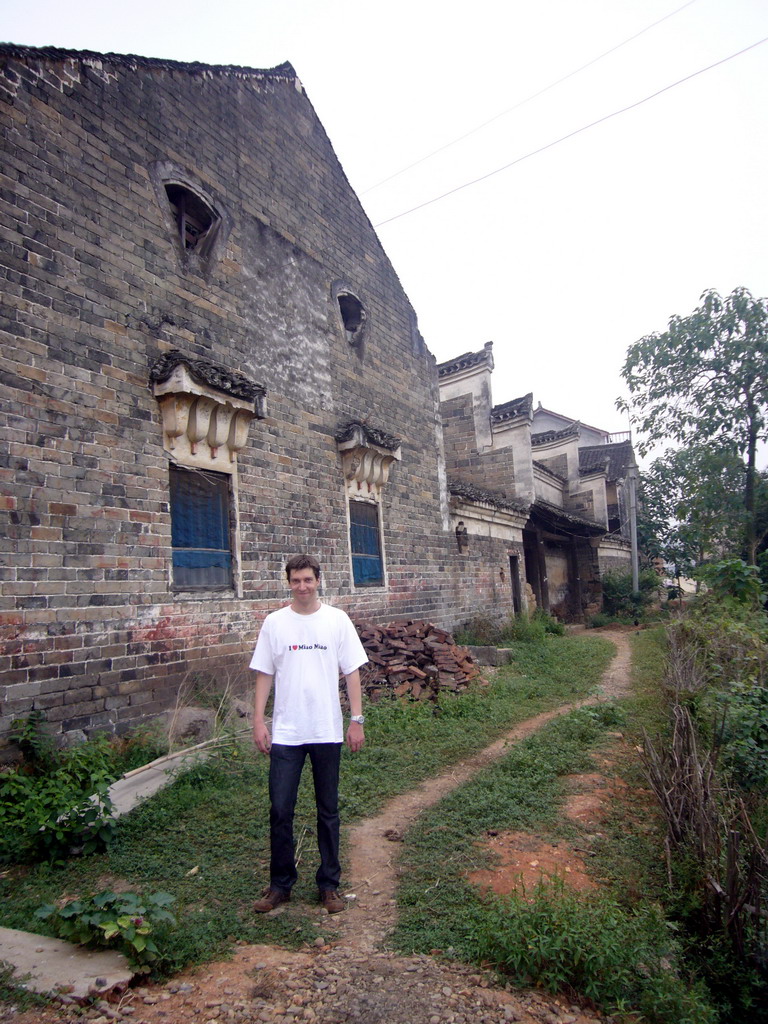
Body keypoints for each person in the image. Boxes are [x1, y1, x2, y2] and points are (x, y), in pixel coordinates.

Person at [250, 554, 368, 914]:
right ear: (288, 583)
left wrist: (356, 720)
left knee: (327, 809)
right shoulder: (274, 623)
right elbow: (264, 674)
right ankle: (280, 886)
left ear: (319, 580)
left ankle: (328, 885)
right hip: (286, 732)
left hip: (326, 730)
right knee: (280, 810)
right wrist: (258, 720)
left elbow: (351, 673)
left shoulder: (337, 620)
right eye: (296, 580)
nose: (302, 586)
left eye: (308, 580)